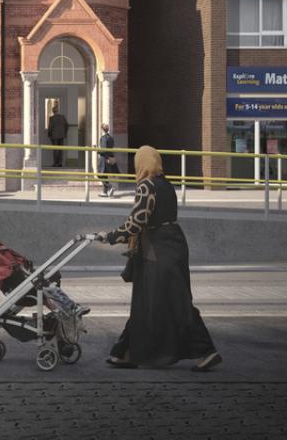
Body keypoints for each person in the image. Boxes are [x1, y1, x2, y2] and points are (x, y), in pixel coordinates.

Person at [99, 145, 220, 371]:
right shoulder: (166, 184)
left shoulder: (146, 185)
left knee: (173, 301)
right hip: (173, 243)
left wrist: (112, 236)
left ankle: (206, 350)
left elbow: (137, 221)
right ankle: (124, 352)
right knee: (150, 300)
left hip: (157, 248)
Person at [98, 123, 118, 196]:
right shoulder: (111, 137)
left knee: (99, 174)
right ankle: (105, 192)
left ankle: (109, 186)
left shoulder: (103, 138)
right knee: (104, 174)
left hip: (104, 158)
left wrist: (96, 150)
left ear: (102, 129)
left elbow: (104, 150)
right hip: (110, 157)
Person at [47, 103, 69, 168]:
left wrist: (49, 135)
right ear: (58, 111)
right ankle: (60, 163)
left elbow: (50, 127)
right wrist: (65, 133)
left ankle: (55, 163)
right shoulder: (63, 117)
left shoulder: (52, 118)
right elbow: (67, 125)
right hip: (62, 136)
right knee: (61, 149)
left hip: (54, 136)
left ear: (53, 111)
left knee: (55, 150)